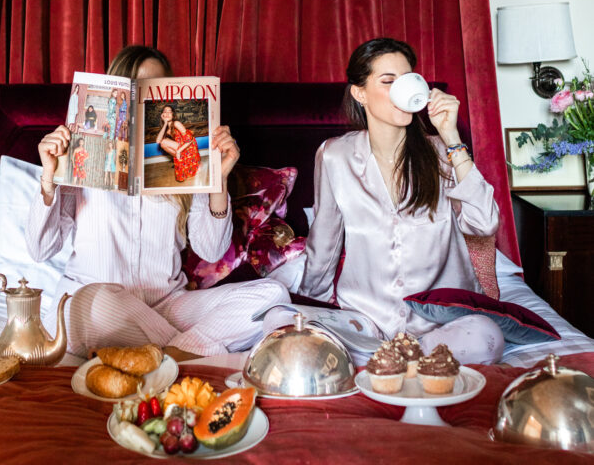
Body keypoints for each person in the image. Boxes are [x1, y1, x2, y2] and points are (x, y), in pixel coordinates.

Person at [26, 44, 288, 360]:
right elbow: (40, 250)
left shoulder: (182, 161)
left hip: (166, 304)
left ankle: (170, 356)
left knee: (274, 296)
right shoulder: (81, 153)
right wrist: (49, 179)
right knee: (95, 298)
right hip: (97, 304)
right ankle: (191, 352)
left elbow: (212, 250)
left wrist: (216, 178)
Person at [298, 37, 505, 365]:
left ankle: (391, 362)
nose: (401, 89)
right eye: (388, 81)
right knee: (284, 329)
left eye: (407, 79)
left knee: (486, 337)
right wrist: (308, 316)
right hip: (365, 321)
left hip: (438, 321)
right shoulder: (334, 156)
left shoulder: (442, 153)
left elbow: (484, 223)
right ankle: (399, 361)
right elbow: (323, 243)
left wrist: (451, 137)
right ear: (360, 93)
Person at [156, 105, 201, 182]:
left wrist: (179, 151)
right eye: (165, 112)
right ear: (162, 115)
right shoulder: (166, 128)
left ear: (173, 115)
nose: (167, 113)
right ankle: (182, 159)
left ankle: (182, 158)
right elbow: (158, 141)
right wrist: (165, 123)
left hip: (189, 146)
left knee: (164, 142)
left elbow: (190, 140)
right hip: (182, 146)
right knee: (162, 143)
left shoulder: (176, 123)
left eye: (169, 111)